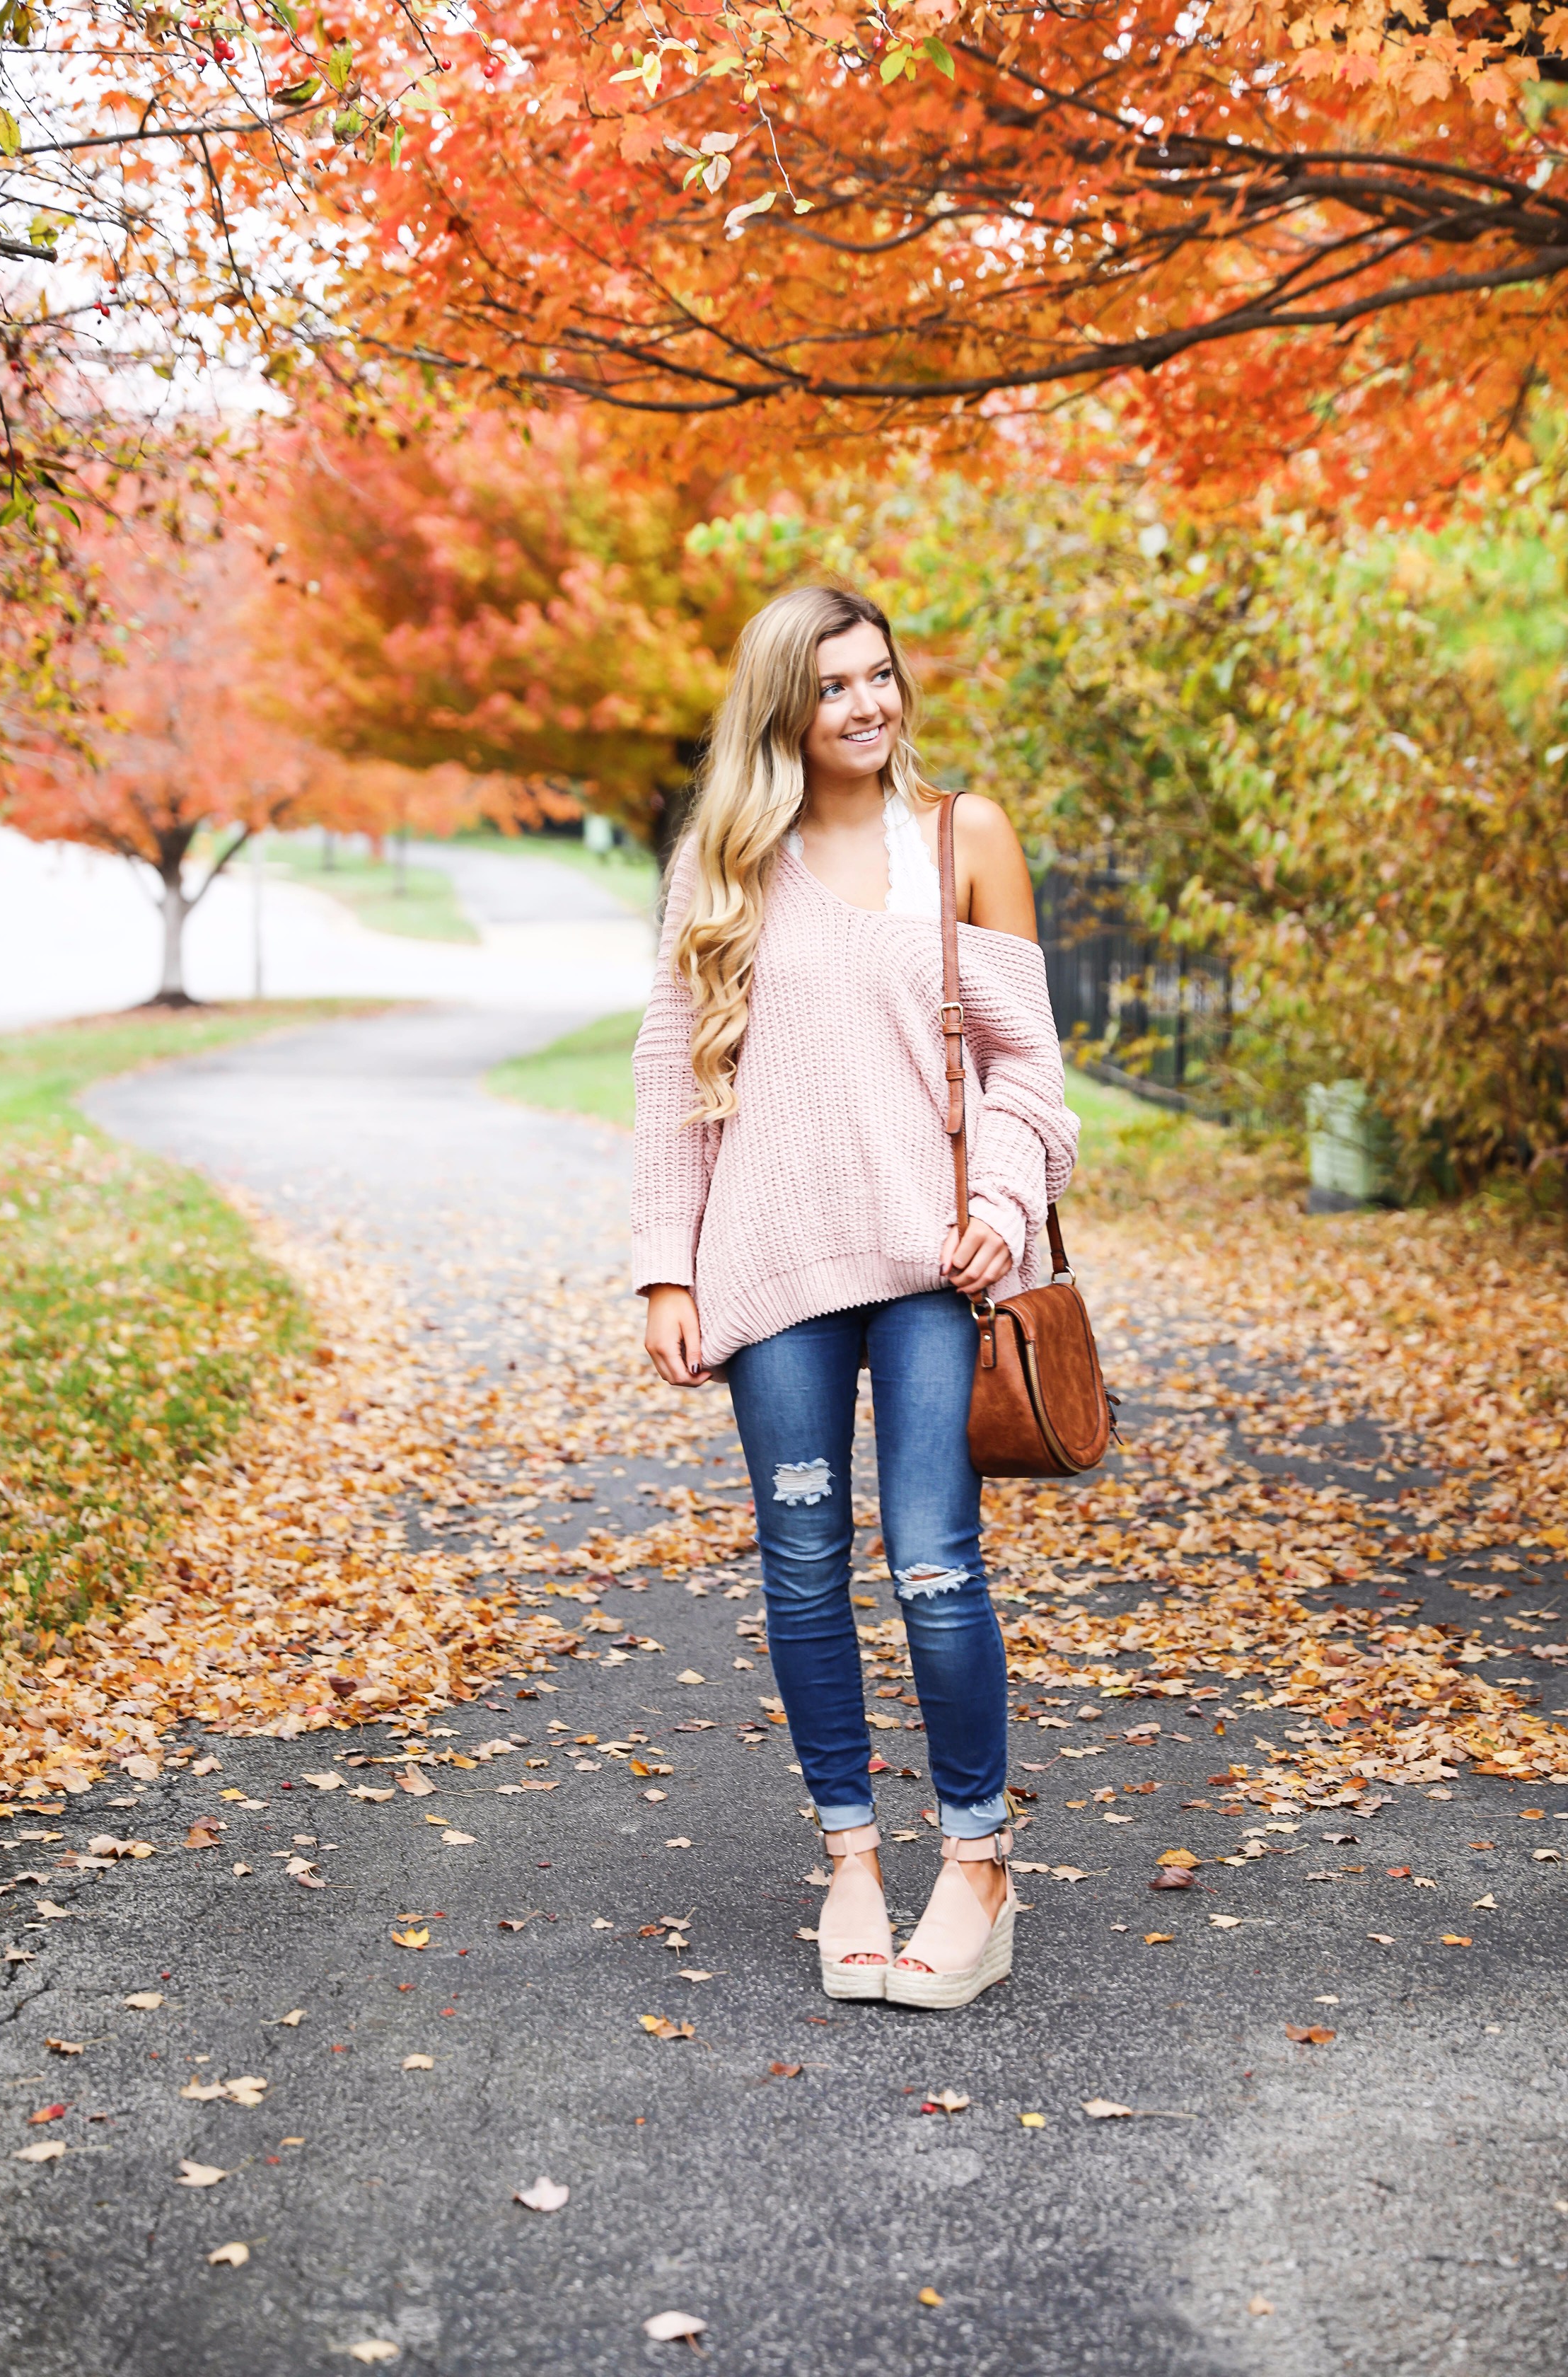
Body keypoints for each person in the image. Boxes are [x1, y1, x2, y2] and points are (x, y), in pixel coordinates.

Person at [632, 586, 1078, 2009]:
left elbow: (1031, 1073)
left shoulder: (963, 837)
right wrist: (665, 1264)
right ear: (785, 708)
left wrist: (999, 1209)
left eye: (880, 675)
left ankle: (977, 1861)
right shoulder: (727, 854)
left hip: (933, 1268)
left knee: (936, 1561)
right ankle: (849, 1861)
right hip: (771, 1268)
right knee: (804, 1560)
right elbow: (673, 1074)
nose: (868, 704)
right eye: (833, 687)